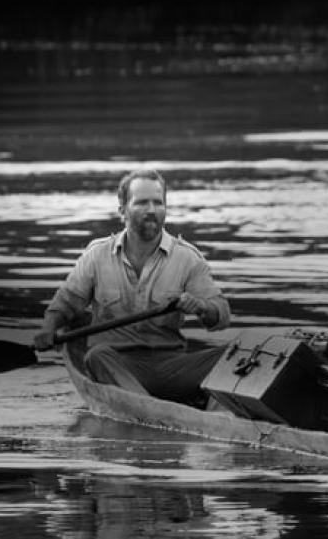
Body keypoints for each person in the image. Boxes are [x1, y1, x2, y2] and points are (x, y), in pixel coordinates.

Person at [34, 169, 230, 402]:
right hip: (114, 363)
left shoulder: (187, 258)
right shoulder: (97, 255)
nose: (151, 210)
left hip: (169, 367)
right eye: (142, 203)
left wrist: (201, 307)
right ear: (122, 211)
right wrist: (48, 328)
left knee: (233, 355)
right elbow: (65, 304)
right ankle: (147, 405)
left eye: (158, 203)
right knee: (96, 355)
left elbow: (222, 315)